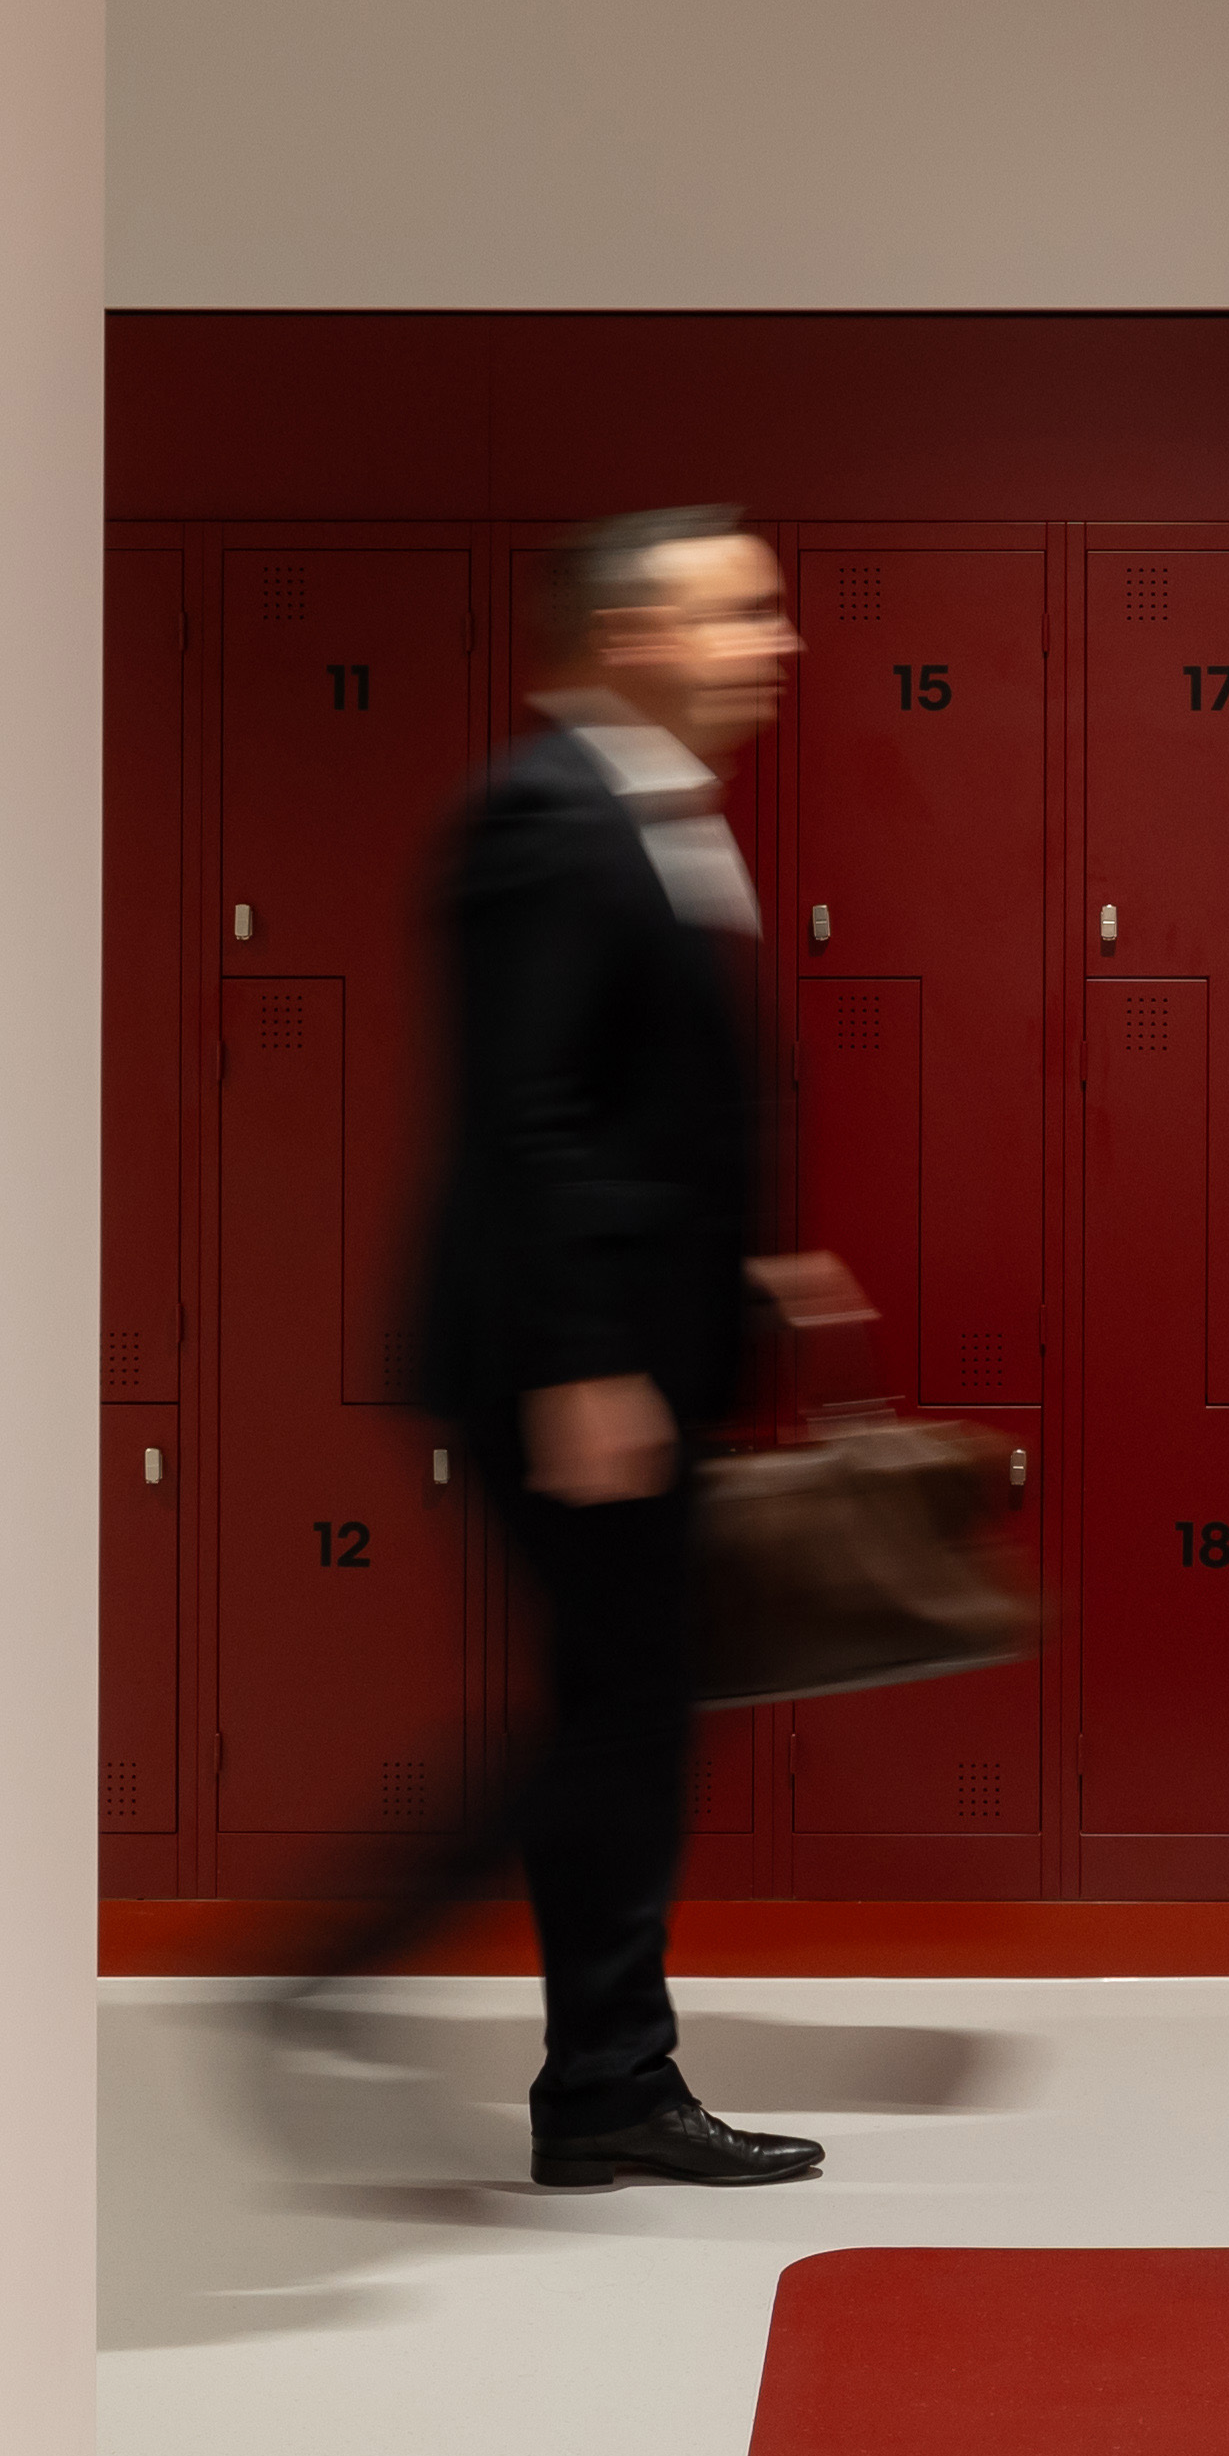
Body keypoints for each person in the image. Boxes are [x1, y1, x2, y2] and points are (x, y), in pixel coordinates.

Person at [351, 506, 864, 2189]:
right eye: (742, 612)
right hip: (566, 1364)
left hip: (630, 1345)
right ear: (635, 634)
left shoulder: (646, 810)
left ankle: (600, 2079)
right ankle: (380, 1984)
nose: (775, 642)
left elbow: (640, 1101)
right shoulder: (544, 814)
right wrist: (582, 1358)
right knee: (614, 1713)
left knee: (620, 1706)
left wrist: (751, 1258)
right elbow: (525, 1111)